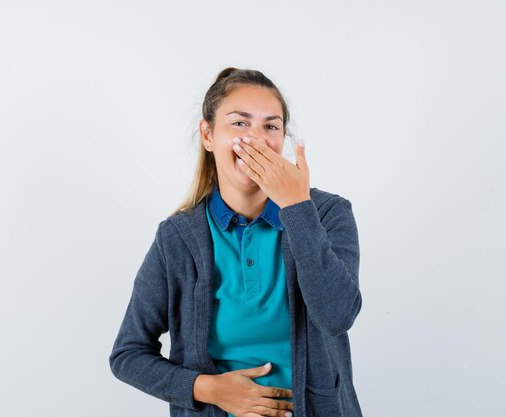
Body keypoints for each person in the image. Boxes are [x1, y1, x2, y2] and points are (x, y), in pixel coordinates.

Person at [109, 67, 363, 417]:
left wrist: (296, 206)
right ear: (208, 135)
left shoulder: (326, 213)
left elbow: (337, 316)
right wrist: (210, 389)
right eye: (240, 124)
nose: (256, 139)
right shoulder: (178, 238)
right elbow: (128, 355)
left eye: (270, 126)